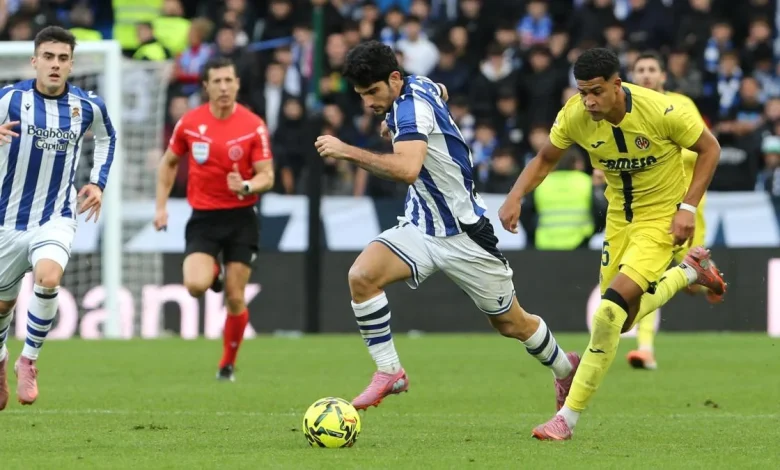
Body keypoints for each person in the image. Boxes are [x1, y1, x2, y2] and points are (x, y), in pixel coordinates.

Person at [314, 40, 579, 411]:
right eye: (362, 95)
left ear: (394, 78)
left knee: (511, 323)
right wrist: (400, 123)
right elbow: (440, 89)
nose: (369, 102)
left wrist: (346, 150)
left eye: (373, 92)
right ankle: (390, 371)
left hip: (465, 234)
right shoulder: (418, 85)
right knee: (362, 277)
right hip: (421, 226)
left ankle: (565, 369)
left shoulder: (410, 109)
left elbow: (407, 169)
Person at [498, 48, 727, 440]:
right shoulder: (575, 115)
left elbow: (711, 149)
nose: (589, 101)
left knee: (607, 314)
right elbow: (546, 158)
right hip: (618, 220)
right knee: (621, 321)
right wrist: (515, 195)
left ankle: (566, 418)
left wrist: (687, 208)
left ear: (617, 85)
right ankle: (689, 272)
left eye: (596, 92)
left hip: (660, 220)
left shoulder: (662, 110)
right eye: (583, 92)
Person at [0, 26, 117, 408]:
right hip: (6, 219)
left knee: (49, 277)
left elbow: (107, 137)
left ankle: (28, 360)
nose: (55, 64)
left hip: (56, 215)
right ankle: (0, 361)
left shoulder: (87, 106)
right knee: (3, 305)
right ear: (34, 61)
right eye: (48, 57)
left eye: (62, 58)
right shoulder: (9, 99)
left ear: (71, 64)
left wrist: (97, 182)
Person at [154, 56, 274, 382]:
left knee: (235, 296)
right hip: (204, 218)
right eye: (217, 81)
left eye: (228, 81)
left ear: (237, 84)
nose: (223, 87)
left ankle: (227, 365)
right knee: (195, 286)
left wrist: (246, 185)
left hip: (241, 217)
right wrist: (161, 207)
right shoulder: (190, 123)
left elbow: (267, 176)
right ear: (206, 86)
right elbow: (168, 163)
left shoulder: (253, 125)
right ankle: (213, 272)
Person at [627, 51, 723, 370]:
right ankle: (645, 348)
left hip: (687, 203)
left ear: (663, 76)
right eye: (640, 69)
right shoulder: (627, 110)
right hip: (651, 204)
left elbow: (703, 149)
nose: (646, 74)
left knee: (690, 279)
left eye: (651, 69)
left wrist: (663, 152)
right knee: (647, 275)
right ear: (632, 76)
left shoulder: (681, 105)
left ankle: (705, 278)